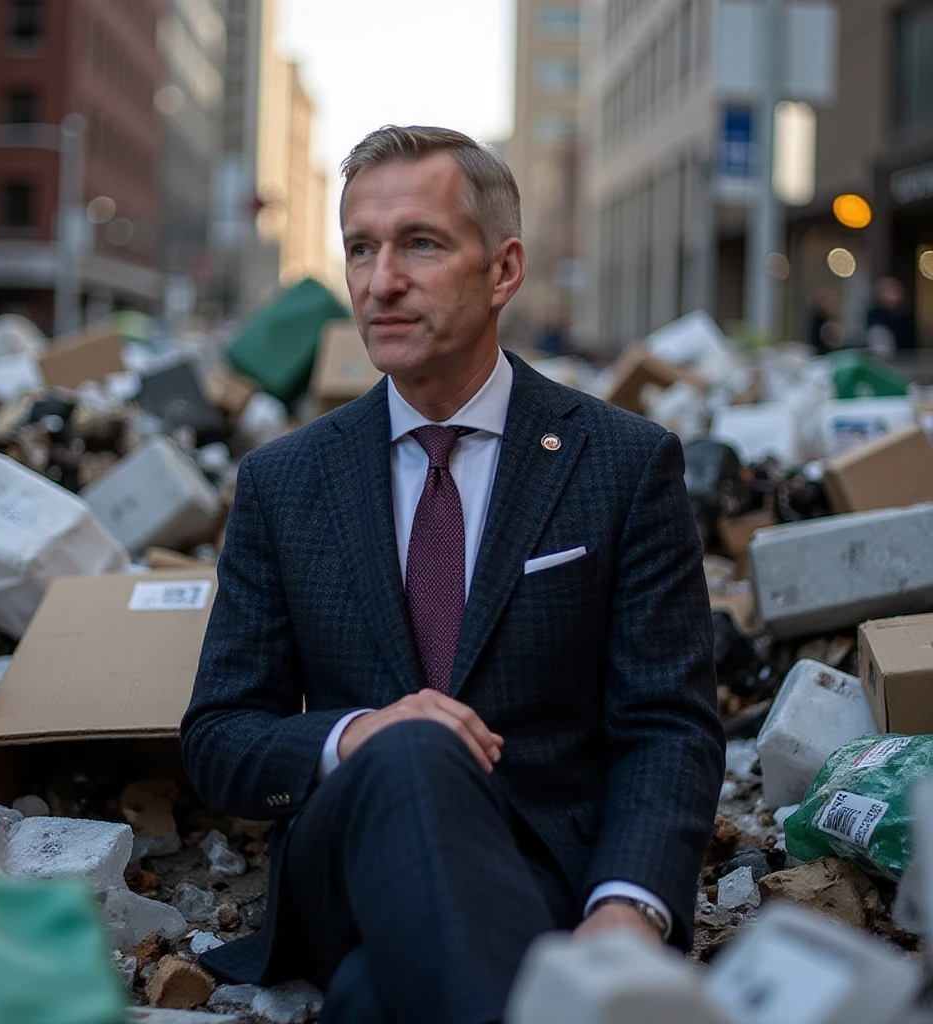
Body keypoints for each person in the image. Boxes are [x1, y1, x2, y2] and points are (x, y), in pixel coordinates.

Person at [181, 125, 724, 1024]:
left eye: (420, 244)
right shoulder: (285, 481)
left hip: (543, 868)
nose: (379, 281)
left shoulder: (621, 463)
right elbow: (218, 736)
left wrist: (628, 905)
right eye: (361, 247)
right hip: (345, 860)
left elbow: (668, 724)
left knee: (369, 995)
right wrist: (359, 735)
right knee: (413, 747)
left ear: (504, 271)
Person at [866, 277, 917, 356]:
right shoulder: (875, 316)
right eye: (889, 291)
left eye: (896, 291)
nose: (893, 294)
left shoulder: (908, 313)